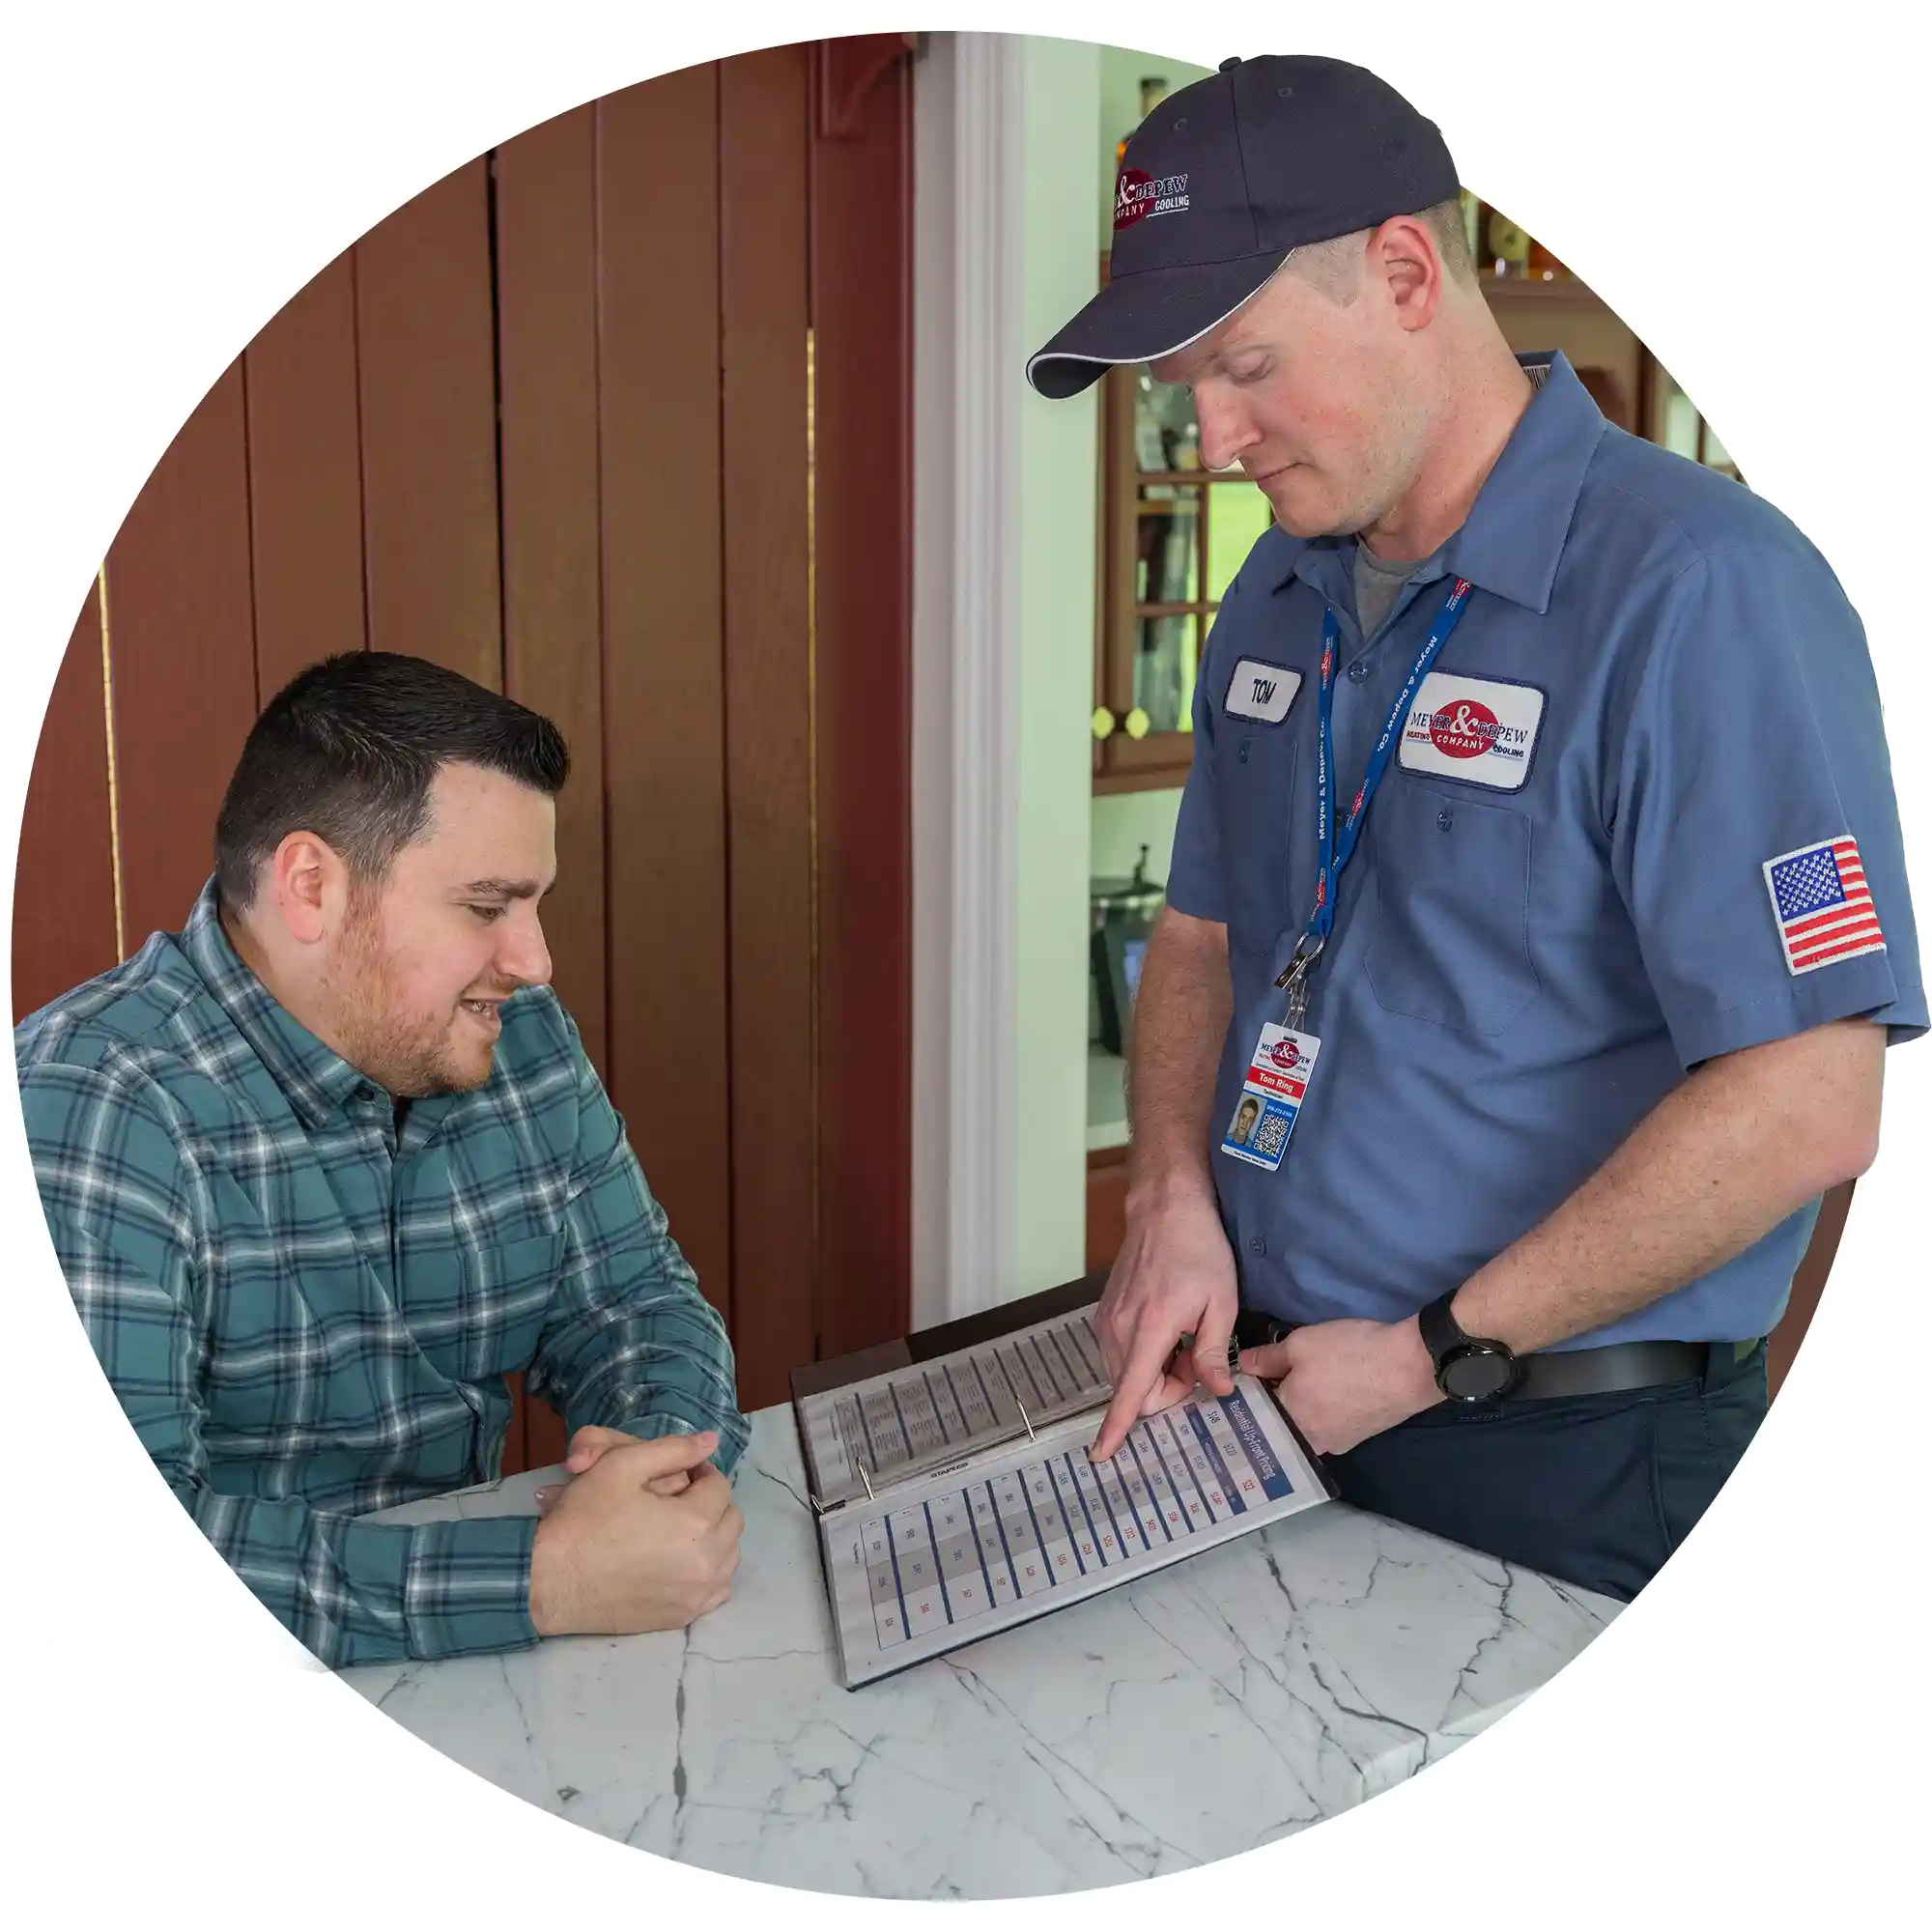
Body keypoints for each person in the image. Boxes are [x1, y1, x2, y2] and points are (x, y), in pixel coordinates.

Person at [1028, 56, 1924, 1600]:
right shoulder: (1277, 587)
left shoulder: (1701, 592)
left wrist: (1438, 1352)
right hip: (1269, 1398)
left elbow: (1810, 1097)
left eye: (1244, 366)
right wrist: (1169, 1192)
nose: (1215, 437)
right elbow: (1203, 934)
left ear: (1402, 272)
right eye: (1186, 392)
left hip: (1560, 1449)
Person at [14, 652, 750, 1665]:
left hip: (488, 1688)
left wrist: (659, 1465)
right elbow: (89, 1567)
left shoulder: (517, 1038)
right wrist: (540, 1579)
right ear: (311, 886)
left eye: (533, 906)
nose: (534, 960)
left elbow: (635, 1305)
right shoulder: (90, 1107)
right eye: (487, 907)